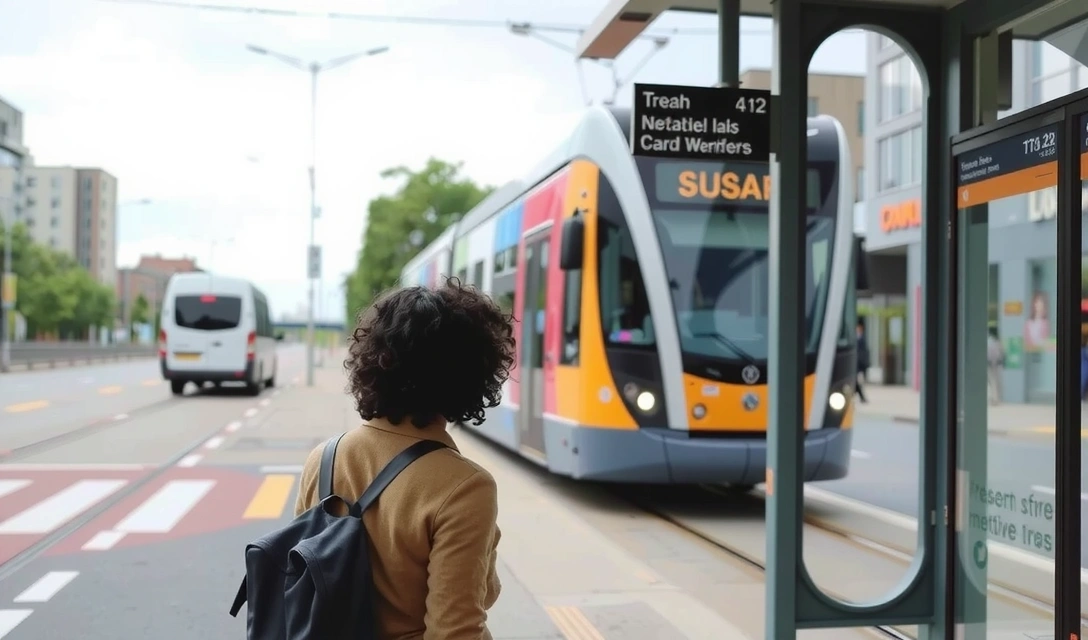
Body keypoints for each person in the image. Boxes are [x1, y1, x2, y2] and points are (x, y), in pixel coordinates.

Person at [293, 277, 515, 640]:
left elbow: (302, 582)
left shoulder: (324, 459)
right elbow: (454, 631)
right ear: (471, 375)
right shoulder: (464, 488)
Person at [986, 327, 1004, 405]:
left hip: (990, 364)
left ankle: (994, 399)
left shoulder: (989, 342)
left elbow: (988, 354)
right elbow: (1001, 353)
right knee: (997, 382)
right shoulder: (998, 342)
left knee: (991, 382)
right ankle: (996, 399)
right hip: (997, 364)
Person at [855, 319, 869, 403]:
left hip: (859, 363)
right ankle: (862, 397)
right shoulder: (856, 337)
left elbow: (863, 352)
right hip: (856, 363)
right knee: (855, 381)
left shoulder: (862, 338)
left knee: (856, 381)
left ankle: (862, 397)